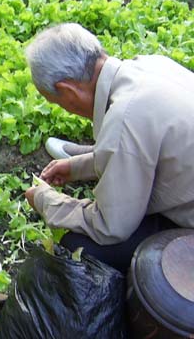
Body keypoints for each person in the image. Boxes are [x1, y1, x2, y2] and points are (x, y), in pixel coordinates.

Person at [24, 23, 194, 274]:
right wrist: (78, 167)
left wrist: (46, 201)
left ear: (67, 91)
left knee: (79, 247)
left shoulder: (125, 118)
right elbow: (146, 152)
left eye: (57, 103)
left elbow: (110, 227)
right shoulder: (151, 65)